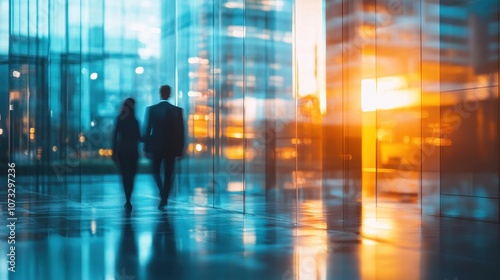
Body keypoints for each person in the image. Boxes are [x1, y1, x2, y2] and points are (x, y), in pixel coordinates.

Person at [143, 85, 185, 209]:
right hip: (171, 147)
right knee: (168, 173)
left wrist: (146, 148)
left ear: (160, 93)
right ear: (170, 94)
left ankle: (162, 193)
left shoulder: (151, 109)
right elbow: (180, 132)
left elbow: (147, 129)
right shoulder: (177, 111)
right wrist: (180, 149)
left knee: (155, 171)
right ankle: (164, 196)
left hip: (156, 146)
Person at [112, 98, 141, 211]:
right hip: (133, 151)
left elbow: (115, 136)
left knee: (124, 176)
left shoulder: (120, 119)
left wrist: (113, 151)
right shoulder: (135, 121)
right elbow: (139, 137)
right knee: (132, 176)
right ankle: (129, 197)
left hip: (122, 151)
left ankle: (127, 198)